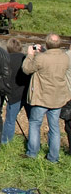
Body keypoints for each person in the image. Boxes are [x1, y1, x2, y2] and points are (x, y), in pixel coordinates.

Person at [21, 33, 70, 163]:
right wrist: (44, 52)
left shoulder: (41, 58)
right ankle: (53, 157)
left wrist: (30, 55)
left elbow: (26, 69)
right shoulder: (65, 57)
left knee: (35, 124)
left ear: (47, 44)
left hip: (42, 96)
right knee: (54, 127)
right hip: (57, 97)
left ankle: (32, 153)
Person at [1, 37, 31, 144]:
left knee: (10, 120)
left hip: (13, 95)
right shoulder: (25, 58)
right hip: (27, 94)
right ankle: (32, 142)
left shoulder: (6, 59)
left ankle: (5, 141)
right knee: (32, 121)